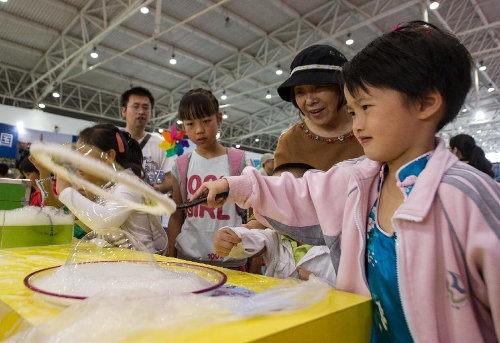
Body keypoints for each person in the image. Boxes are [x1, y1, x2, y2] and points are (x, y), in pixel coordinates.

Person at [191, 21, 500, 342]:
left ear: (425, 103)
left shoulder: (467, 197)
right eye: (353, 111)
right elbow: (302, 193)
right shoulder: (360, 179)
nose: (357, 124)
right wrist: (238, 186)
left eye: (365, 107)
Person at [167, 88, 254, 269]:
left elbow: (254, 215)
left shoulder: (240, 161)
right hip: (189, 258)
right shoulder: (181, 164)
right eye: (190, 124)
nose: (199, 131)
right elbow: (176, 215)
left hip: (232, 259)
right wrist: (170, 257)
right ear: (183, 126)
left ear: (219, 118)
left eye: (206, 121)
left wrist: (255, 266)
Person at [214, 163, 336, 286]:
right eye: (273, 199)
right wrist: (229, 236)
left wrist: (320, 284)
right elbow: (250, 239)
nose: (277, 207)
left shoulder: (338, 244)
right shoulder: (275, 237)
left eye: (286, 196)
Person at [56, 123, 168, 255]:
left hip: (140, 266)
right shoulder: (109, 186)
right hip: (123, 264)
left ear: (108, 156)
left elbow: (106, 223)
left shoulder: (129, 184)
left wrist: (65, 191)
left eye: (84, 153)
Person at [274, 44, 364, 172]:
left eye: (319, 88)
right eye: (300, 92)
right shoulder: (290, 142)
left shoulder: (370, 126)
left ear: (342, 88)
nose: (310, 101)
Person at [121, 86, 174, 194]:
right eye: (135, 106)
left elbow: (171, 178)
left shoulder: (162, 144)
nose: (141, 111)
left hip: (150, 207)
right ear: (124, 110)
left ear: (151, 111)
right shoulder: (112, 139)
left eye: (145, 107)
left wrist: (160, 188)